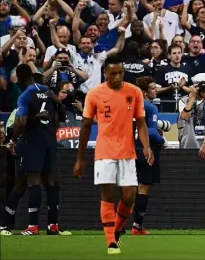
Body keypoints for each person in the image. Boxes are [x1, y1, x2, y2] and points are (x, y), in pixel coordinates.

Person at [74, 56, 153, 255]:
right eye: (113, 74)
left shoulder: (134, 92)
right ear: (105, 74)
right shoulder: (94, 94)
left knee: (129, 197)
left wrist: (146, 146)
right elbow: (85, 127)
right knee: (108, 194)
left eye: (121, 73)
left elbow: (141, 122)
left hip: (128, 152)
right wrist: (80, 159)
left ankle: (117, 228)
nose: (117, 77)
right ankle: (110, 241)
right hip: (104, 151)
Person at [3, 64, 65, 235]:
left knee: (33, 182)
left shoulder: (25, 95)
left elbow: (21, 122)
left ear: (20, 77)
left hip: (33, 142)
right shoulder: (48, 91)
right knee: (51, 183)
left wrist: (13, 140)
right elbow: (61, 116)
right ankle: (53, 225)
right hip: (50, 141)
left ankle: (33, 226)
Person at [132, 76, 165, 235]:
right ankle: (137, 225)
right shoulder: (150, 107)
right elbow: (151, 131)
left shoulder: (132, 105)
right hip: (146, 148)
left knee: (135, 187)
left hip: (131, 147)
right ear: (144, 92)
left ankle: (129, 223)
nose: (156, 90)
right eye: (153, 88)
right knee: (143, 187)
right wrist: (162, 139)